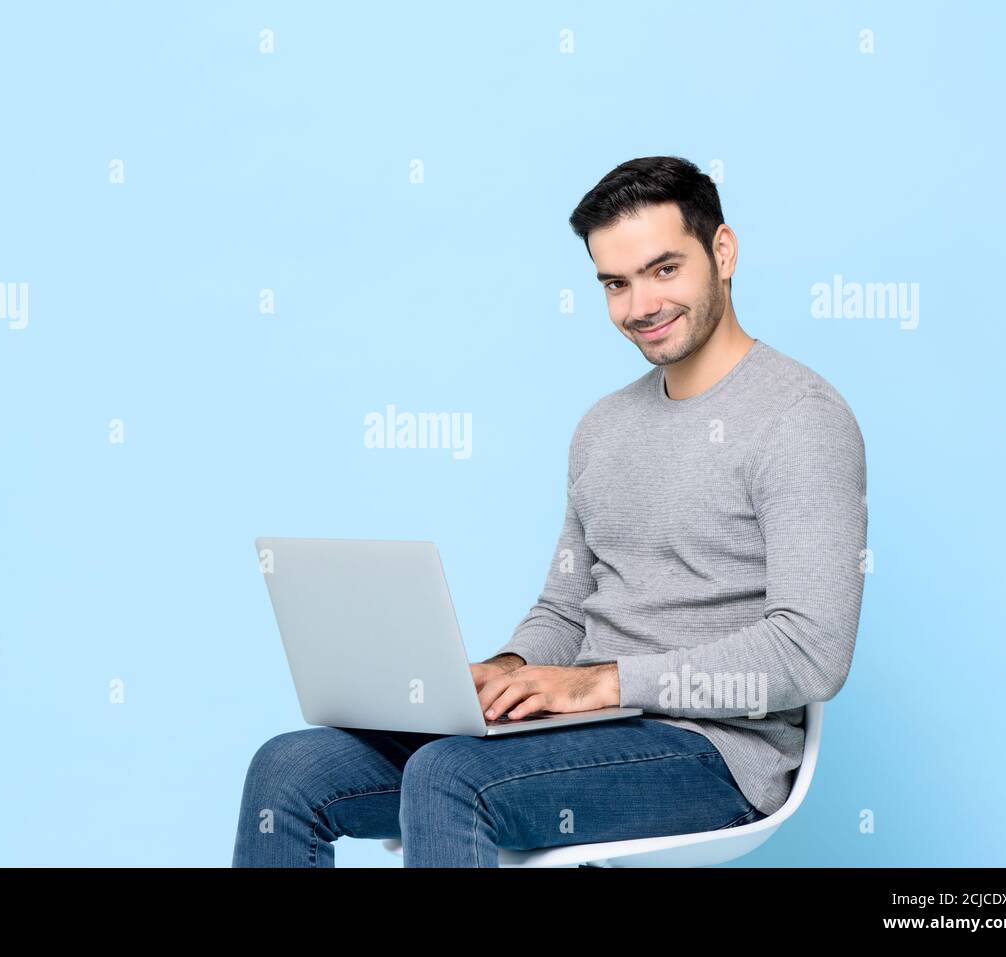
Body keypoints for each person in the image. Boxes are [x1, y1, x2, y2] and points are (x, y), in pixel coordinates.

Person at [232, 156, 868, 867]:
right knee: (286, 770)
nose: (640, 306)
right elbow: (565, 610)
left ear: (723, 252)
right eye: (615, 283)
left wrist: (605, 680)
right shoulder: (604, 426)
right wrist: (506, 669)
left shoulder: (800, 420)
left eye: (664, 270)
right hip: (582, 729)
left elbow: (813, 652)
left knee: (449, 776)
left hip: (712, 751)